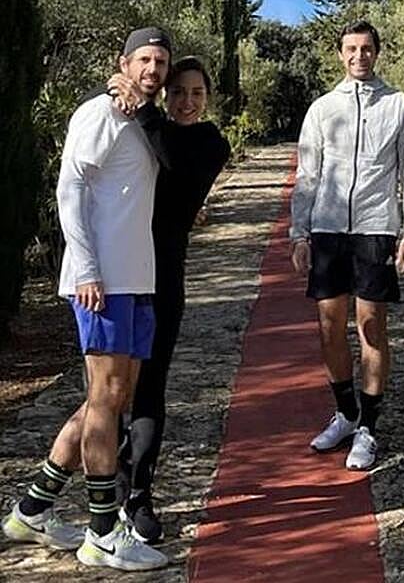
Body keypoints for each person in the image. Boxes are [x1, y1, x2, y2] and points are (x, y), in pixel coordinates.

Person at [2, 27, 172, 571]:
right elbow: (69, 189)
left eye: (160, 62)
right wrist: (88, 269)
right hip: (101, 281)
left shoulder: (143, 118)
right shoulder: (100, 112)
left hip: (135, 278)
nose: (152, 69)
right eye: (144, 59)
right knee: (105, 399)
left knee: (111, 398)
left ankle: (32, 510)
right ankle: (102, 532)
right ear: (124, 62)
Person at [107, 56, 230, 544]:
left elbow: (176, 165)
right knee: (112, 389)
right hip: (119, 270)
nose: (186, 101)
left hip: (163, 277)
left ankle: (139, 495)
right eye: (177, 91)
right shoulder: (137, 126)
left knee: (151, 386)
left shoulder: (210, 143)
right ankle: (108, 491)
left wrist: (142, 109)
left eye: (196, 93)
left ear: (207, 99)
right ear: (165, 93)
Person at [291, 20, 404, 470]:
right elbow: (308, 174)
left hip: (375, 227)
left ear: (377, 53)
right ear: (340, 54)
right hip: (328, 229)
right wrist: (299, 232)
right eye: (351, 49)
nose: (359, 56)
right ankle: (344, 413)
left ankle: (369, 426)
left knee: (371, 328)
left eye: (366, 48)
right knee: (329, 327)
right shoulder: (323, 108)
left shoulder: (399, 104)